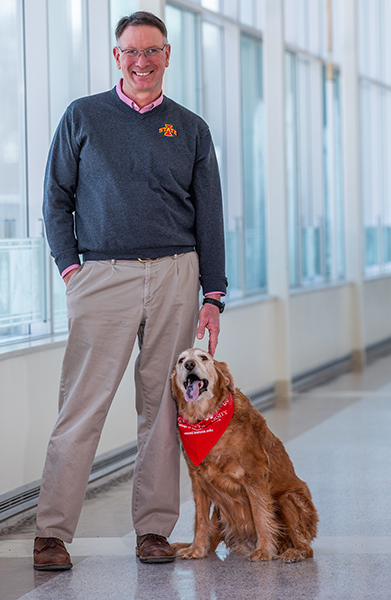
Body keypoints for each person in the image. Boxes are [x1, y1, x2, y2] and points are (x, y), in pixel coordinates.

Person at [33, 11, 227, 569]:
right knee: (82, 406)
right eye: (130, 52)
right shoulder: (83, 116)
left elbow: (209, 216)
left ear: (167, 55)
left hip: (175, 276)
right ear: (116, 57)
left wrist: (213, 294)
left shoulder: (190, 128)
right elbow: (54, 200)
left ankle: (153, 531)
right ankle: (51, 532)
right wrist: (73, 270)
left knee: (164, 409)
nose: (141, 61)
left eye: (151, 51)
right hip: (102, 276)